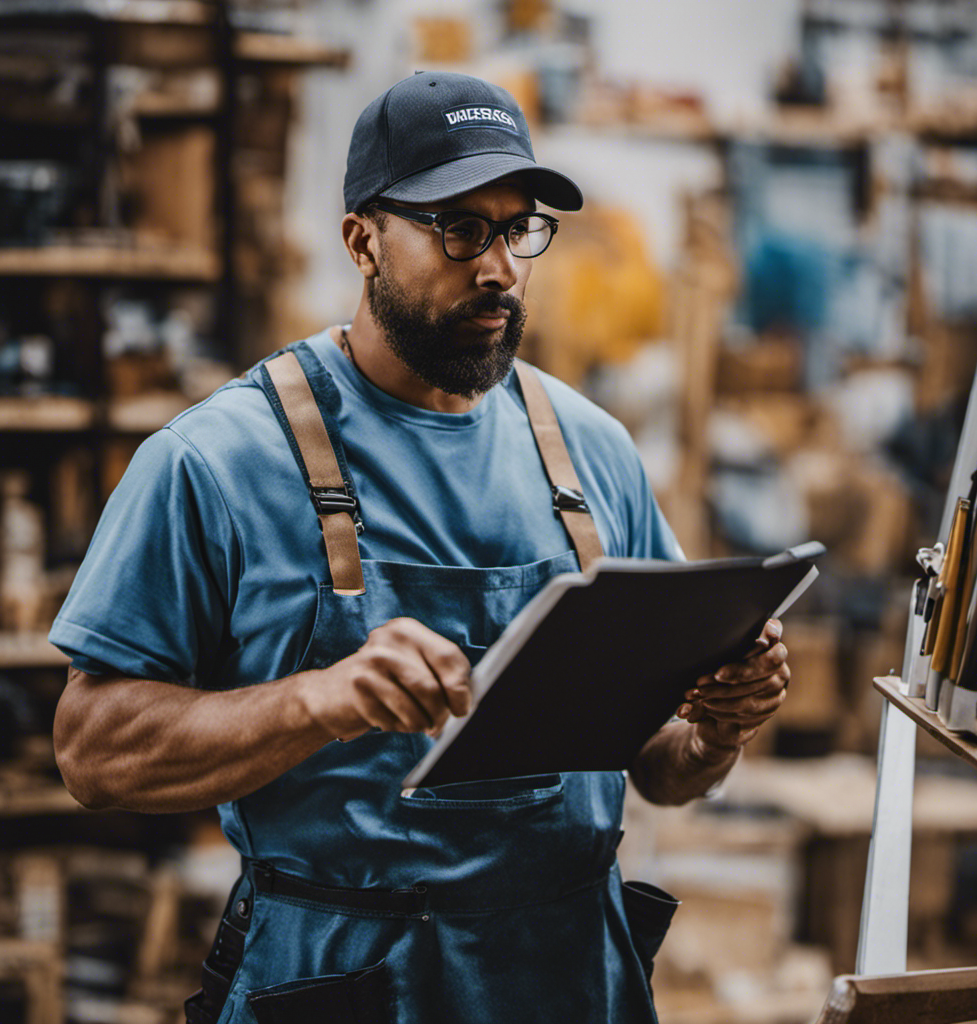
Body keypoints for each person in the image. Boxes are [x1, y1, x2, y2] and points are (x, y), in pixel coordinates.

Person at [50, 72, 791, 1024]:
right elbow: (91, 752)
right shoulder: (216, 463)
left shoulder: (593, 452)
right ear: (362, 238)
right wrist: (315, 700)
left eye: (518, 228)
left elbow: (660, 766)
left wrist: (716, 728)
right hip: (344, 981)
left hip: (570, 975)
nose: (499, 269)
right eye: (459, 229)